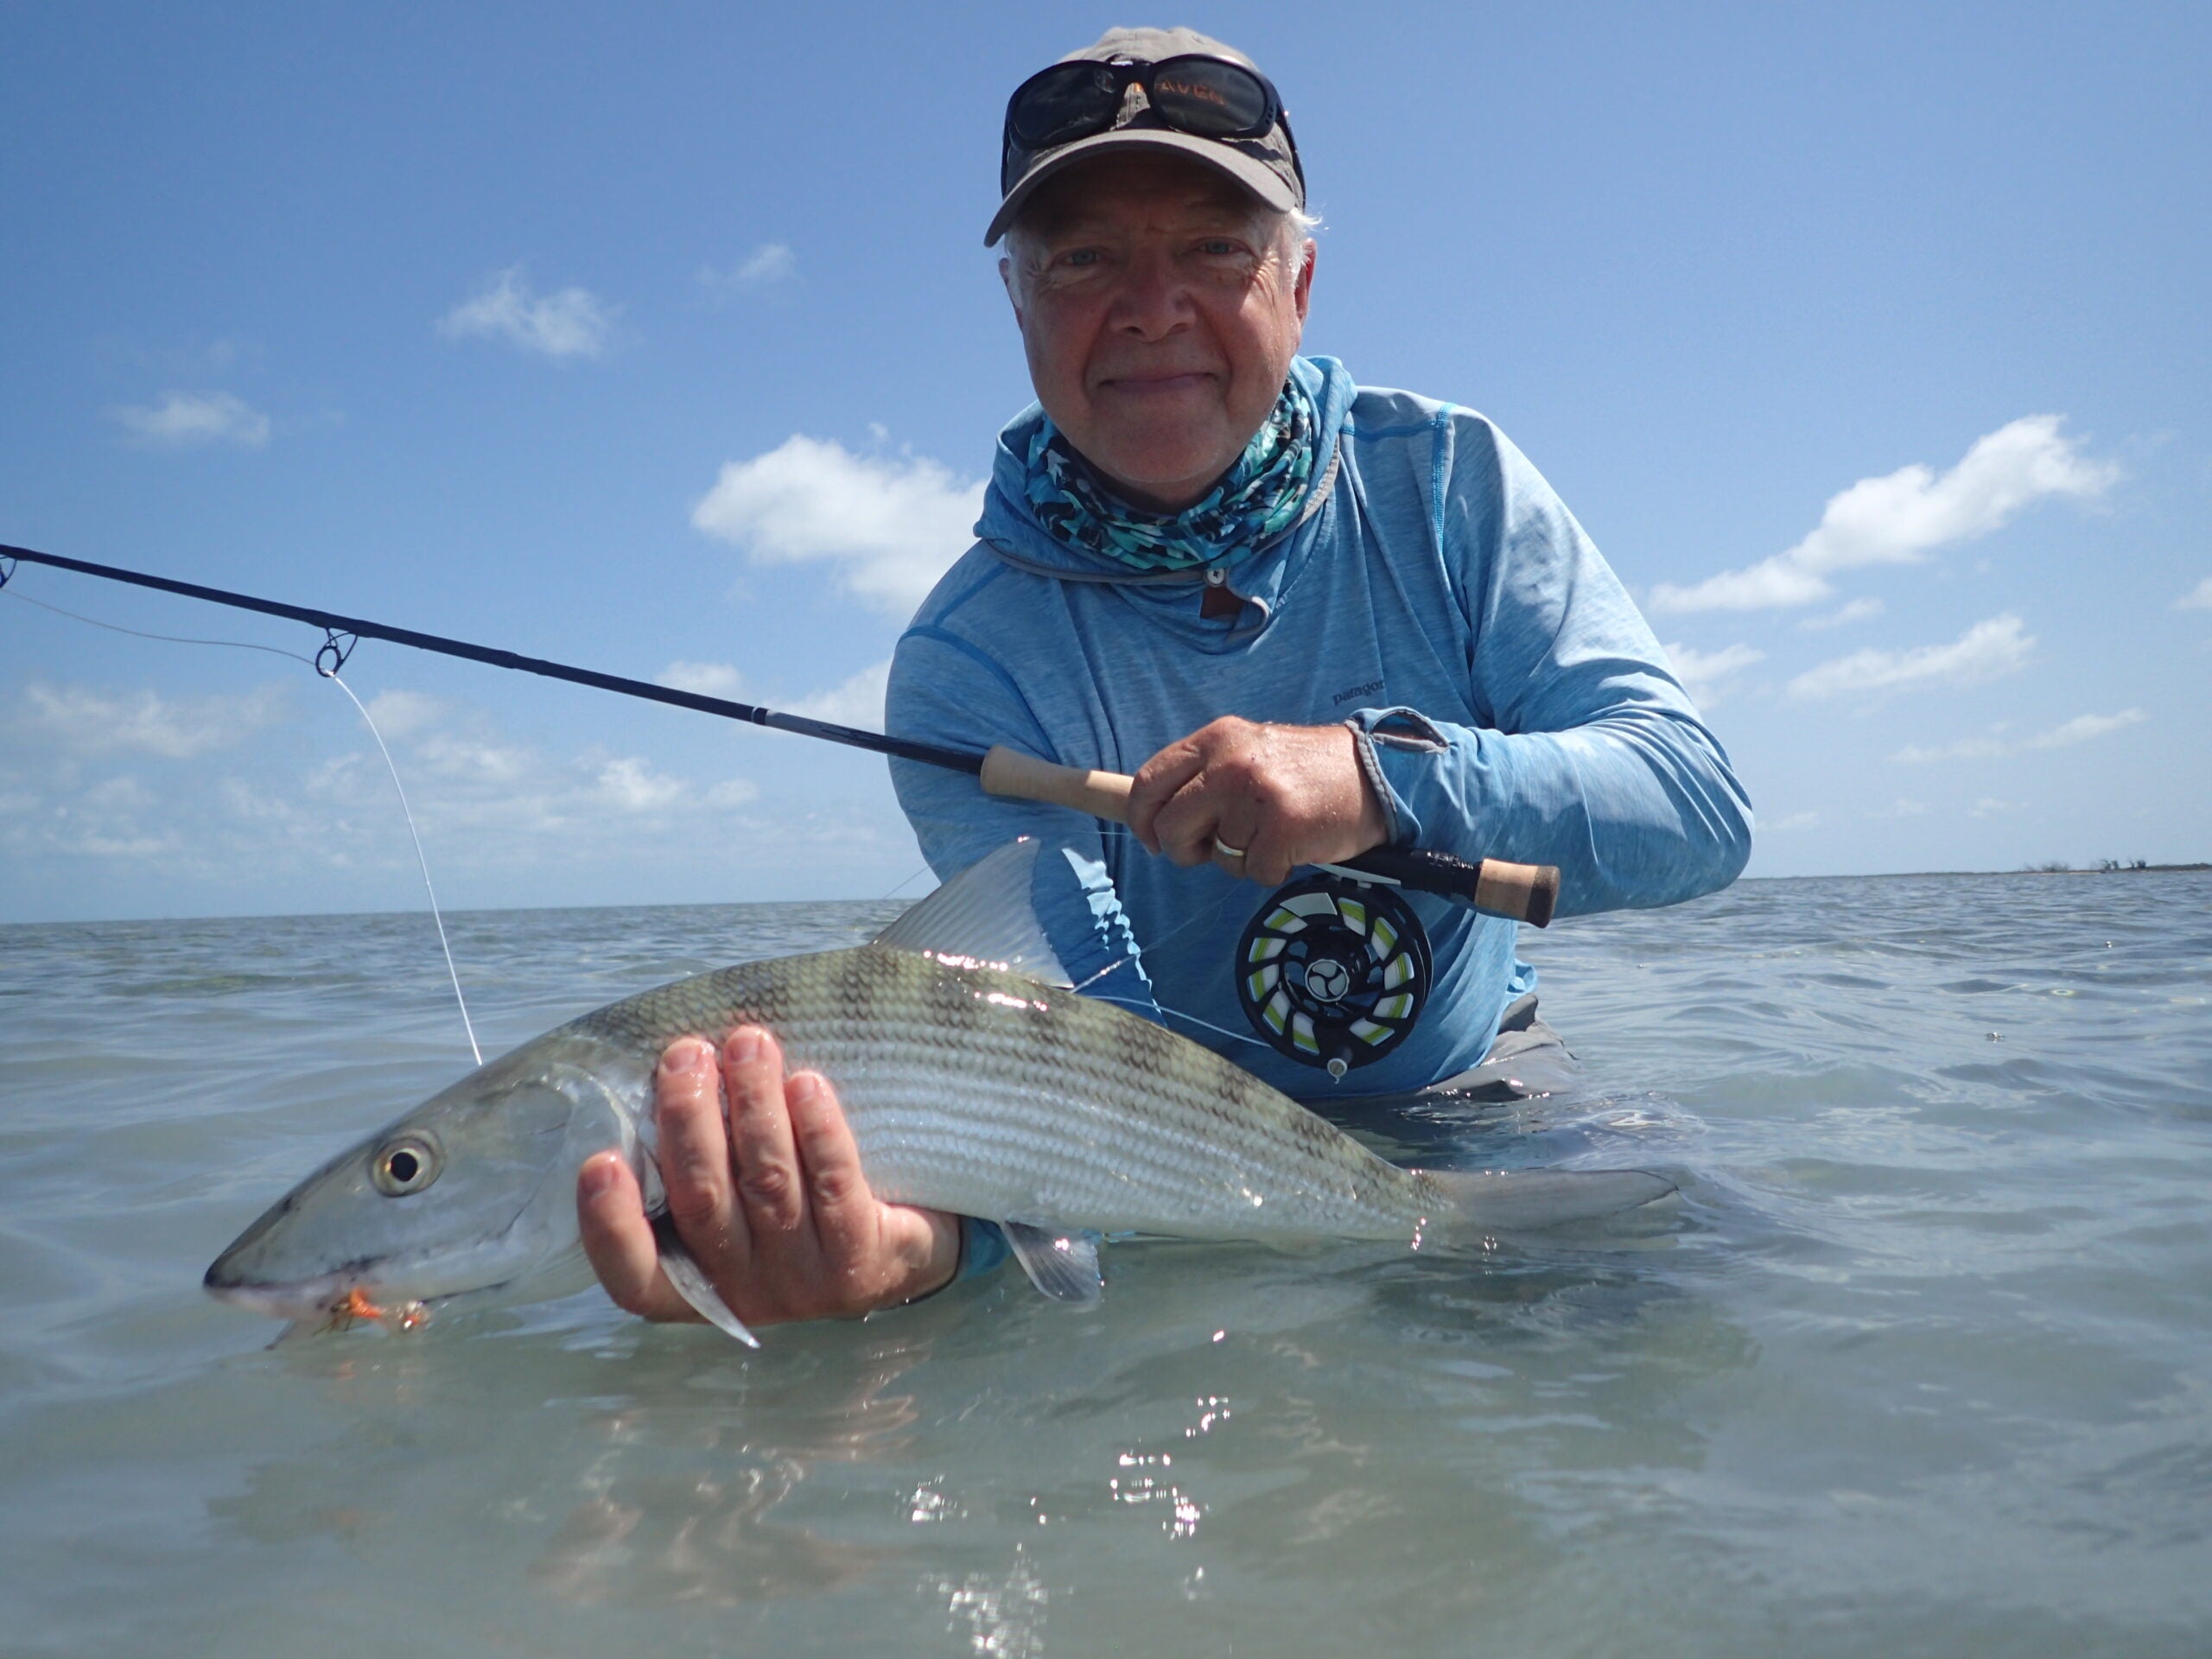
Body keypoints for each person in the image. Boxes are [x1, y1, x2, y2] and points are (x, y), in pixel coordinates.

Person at [575, 27, 1752, 1329]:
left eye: (1212, 248)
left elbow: (1695, 810)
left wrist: (1380, 776)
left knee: (1727, 1280)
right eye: (1083, 259)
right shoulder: (965, 663)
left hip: (1482, 1093)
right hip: (1156, 1163)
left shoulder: (1445, 484)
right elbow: (1067, 1053)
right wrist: (928, 1256)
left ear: (1300, 284)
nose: (1150, 308)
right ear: (1017, 304)